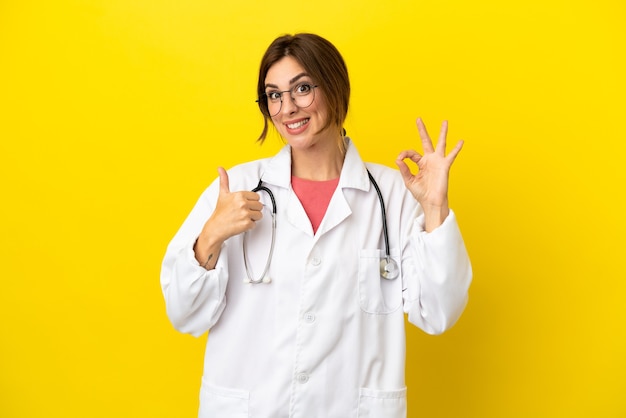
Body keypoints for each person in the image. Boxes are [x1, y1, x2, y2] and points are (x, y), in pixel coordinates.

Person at [161, 33, 472, 418]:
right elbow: (183, 313)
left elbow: (438, 312)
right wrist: (210, 237)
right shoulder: (236, 189)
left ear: (336, 87)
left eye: (303, 88)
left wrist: (435, 206)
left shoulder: (392, 196)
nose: (287, 107)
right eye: (274, 95)